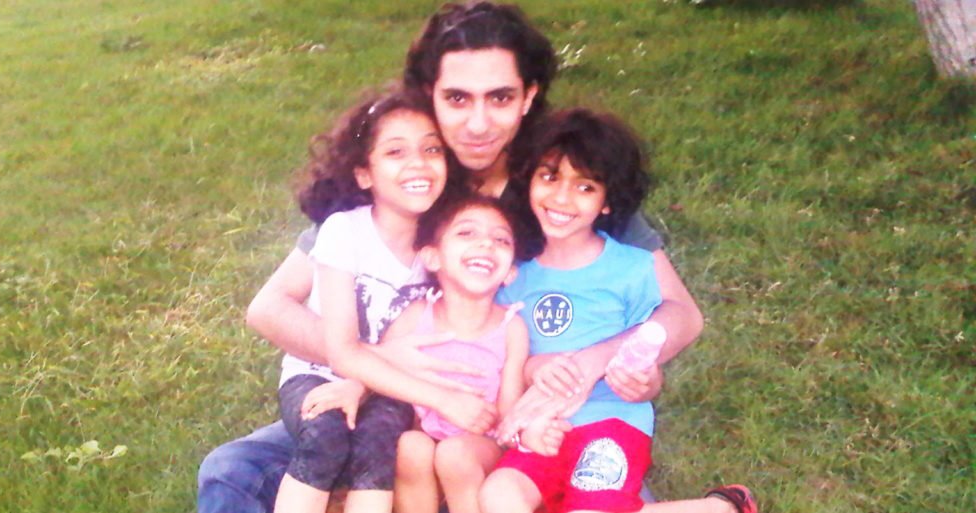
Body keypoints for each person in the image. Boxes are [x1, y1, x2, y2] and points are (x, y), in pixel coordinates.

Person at [198, 3, 703, 512]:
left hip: (525, 424)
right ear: (429, 95)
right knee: (232, 472)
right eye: (457, 98)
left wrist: (589, 364)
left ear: (528, 96)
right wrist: (373, 363)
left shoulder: (561, 180)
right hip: (390, 407)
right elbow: (271, 308)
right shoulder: (407, 177)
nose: (479, 123)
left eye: (500, 98)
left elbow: (680, 313)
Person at [480, 108, 756, 513]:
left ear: (609, 202)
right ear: (529, 181)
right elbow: (513, 359)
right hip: (543, 428)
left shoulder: (632, 269)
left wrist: (645, 381)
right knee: (497, 496)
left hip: (610, 425)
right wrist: (537, 369)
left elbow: (649, 355)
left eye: (585, 187)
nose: (561, 198)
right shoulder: (514, 277)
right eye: (550, 176)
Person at [269, 88, 470, 513]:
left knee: (380, 440)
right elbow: (342, 353)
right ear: (364, 174)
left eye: (432, 149)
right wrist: (445, 401)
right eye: (396, 152)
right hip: (316, 373)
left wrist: (368, 386)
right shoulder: (345, 232)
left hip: (392, 380)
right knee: (326, 432)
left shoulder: (441, 248)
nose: (418, 163)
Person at [381, 195, 533, 513]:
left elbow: (508, 405)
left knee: (454, 454)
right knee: (410, 445)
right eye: (467, 233)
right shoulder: (416, 315)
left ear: (510, 274)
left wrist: (503, 427)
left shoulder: (511, 327)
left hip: (483, 443)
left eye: (501, 239)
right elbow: (380, 364)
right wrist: (351, 386)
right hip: (424, 432)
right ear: (432, 258)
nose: (486, 244)